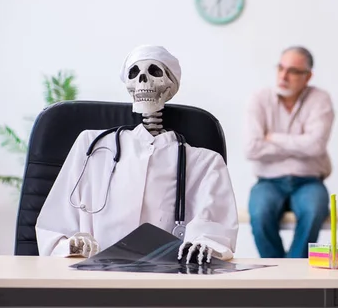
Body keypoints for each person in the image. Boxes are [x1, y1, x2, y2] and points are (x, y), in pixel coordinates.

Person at [35, 45, 238, 264]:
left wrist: (205, 244)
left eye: (155, 72)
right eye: (135, 74)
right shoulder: (92, 146)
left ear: (171, 85)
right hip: (97, 280)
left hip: (168, 284)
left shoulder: (205, 163)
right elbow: (54, 228)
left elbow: (215, 233)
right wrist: (71, 245)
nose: (143, 80)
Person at [245, 46, 335, 258]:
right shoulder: (259, 98)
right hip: (268, 181)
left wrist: (272, 138)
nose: (284, 76)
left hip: (309, 180)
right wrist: (299, 144)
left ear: (308, 76)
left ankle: (295, 274)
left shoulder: (320, 99)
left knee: (314, 211)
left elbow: (316, 146)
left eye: (293, 71)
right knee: (259, 213)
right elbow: (251, 148)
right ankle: (277, 274)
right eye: (281, 68)